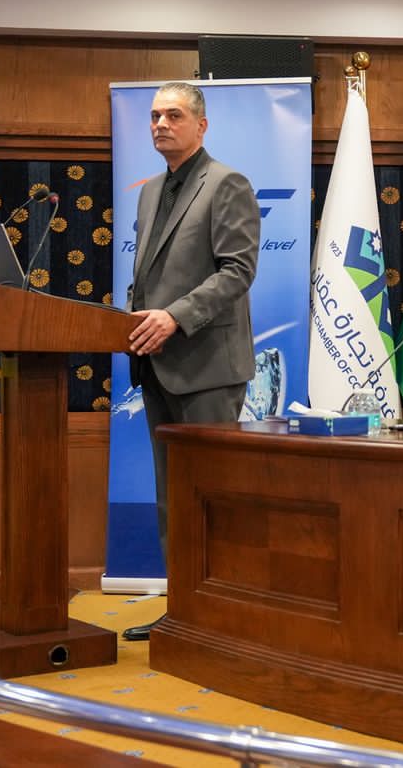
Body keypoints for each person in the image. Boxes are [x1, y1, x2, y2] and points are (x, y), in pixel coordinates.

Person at [122, 82, 261, 641]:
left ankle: (223, 617)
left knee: (211, 498)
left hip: (208, 369)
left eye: (173, 115)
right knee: (172, 499)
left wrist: (175, 317)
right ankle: (184, 611)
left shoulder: (226, 183)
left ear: (201, 125)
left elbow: (238, 271)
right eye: (155, 115)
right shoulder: (150, 190)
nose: (160, 124)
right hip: (155, 363)